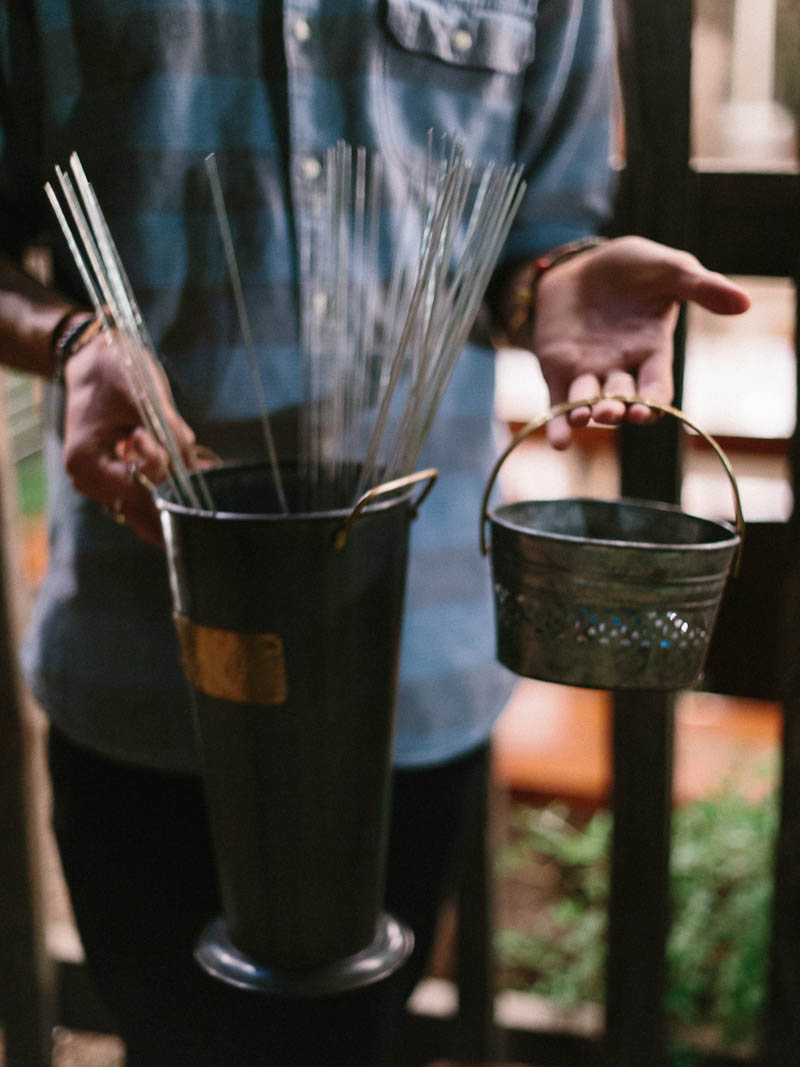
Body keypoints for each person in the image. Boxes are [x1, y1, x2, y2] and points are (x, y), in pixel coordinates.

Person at [0, 1, 750, 1064]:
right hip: (142, 660)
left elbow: (534, 239)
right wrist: (71, 334)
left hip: (408, 669)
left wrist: (552, 280)